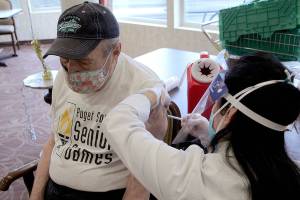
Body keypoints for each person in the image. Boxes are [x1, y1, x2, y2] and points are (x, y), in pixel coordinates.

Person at [104, 54, 300, 200]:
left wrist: (152, 94)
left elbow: (118, 122)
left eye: (216, 101)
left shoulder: (193, 178)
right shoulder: (288, 173)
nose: (212, 107)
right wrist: (214, 137)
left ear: (230, 114)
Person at [29, 2, 163, 200]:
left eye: (83, 61)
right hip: (55, 189)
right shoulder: (62, 77)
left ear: (115, 51)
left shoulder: (143, 88)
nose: (71, 70)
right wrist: (35, 194)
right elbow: (54, 140)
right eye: (65, 60)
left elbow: (144, 174)